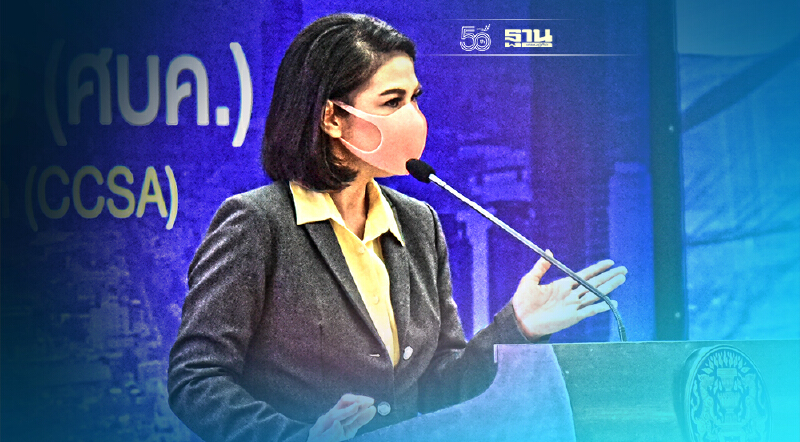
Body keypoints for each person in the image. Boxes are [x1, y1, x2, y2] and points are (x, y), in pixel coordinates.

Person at [167, 13, 627, 442]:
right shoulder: (256, 223)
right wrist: (299, 437)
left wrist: (516, 328)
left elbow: (437, 386)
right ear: (332, 118)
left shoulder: (418, 222)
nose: (413, 116)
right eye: (392, 101)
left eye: (414, 99)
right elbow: (196, 380)